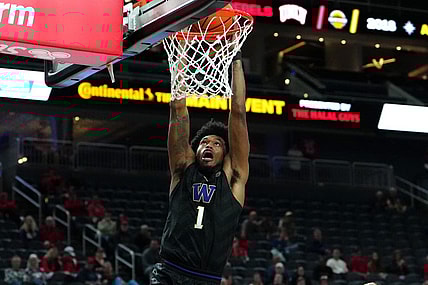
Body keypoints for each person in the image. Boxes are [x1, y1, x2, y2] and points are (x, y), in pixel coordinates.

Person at [151, 50, 249, 284]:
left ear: (226, 153)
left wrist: (235, 59)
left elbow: (238, 112)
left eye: (217, 143)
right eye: (204, 142)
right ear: (194, 151)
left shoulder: (233, 177)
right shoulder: (183, 169)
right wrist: (180, 56)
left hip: (206, 278)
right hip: (168, 272)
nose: (209, 145)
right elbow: (177, 107)